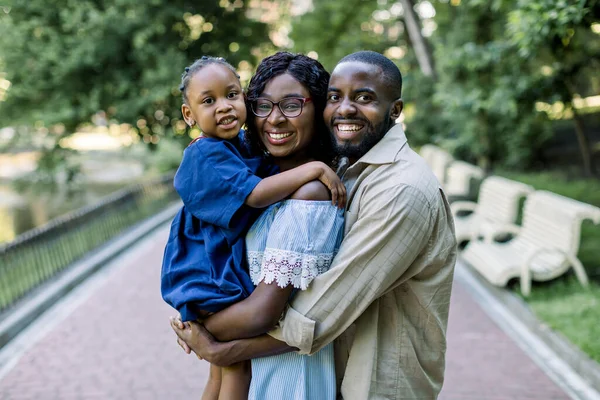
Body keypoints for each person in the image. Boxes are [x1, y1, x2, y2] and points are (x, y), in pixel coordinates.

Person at [172, 50, 457, 400]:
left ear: (395, 110)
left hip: (375, 385)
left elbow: (315, 316)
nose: (345, 109)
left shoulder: (398, 190)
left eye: (292, 104)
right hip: (305, 370)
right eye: (336, 98)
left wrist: (208, 336)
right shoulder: (342, 170)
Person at [161, 55, 346, 400]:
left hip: (222, 277)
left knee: (226, 368)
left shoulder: (241, 149)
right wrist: (314, 168)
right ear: (189, 114)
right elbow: (257, 194)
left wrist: (202, 333)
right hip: (210, 272)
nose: (224, 108)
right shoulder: (208, 153)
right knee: (232, 370)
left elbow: (264, 312)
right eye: (208, 101)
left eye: (232, 96)